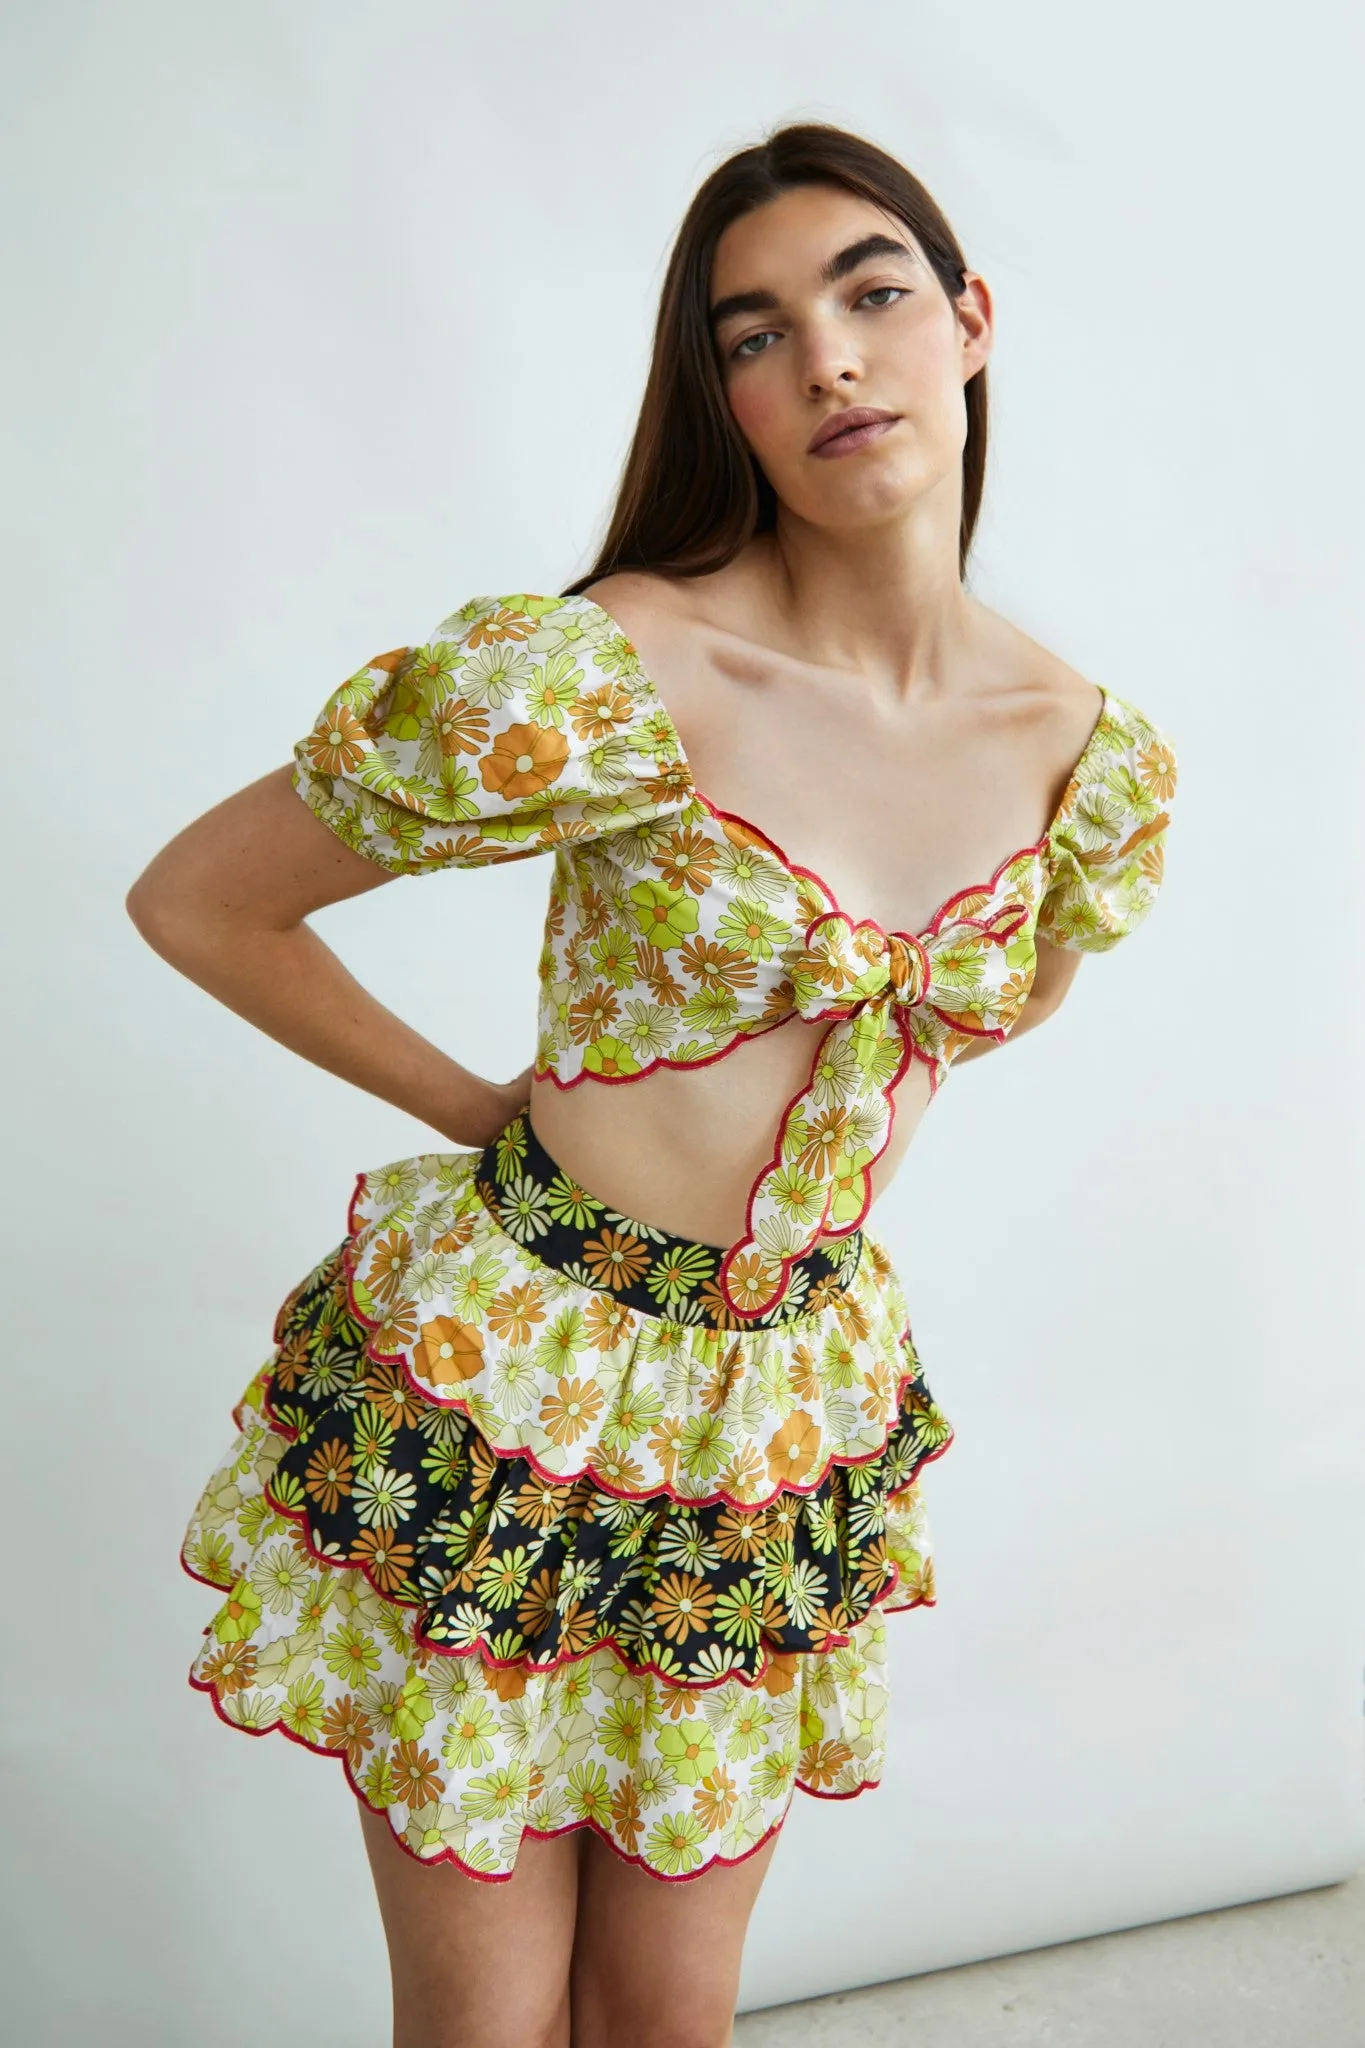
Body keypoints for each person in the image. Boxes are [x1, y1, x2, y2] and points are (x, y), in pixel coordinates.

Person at [127, 121, 1178, 2048]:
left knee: (668, 2020)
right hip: (513, 1387)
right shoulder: (614, 673)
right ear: (728, 401)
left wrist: (854, 1110)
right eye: (755, 335)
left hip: (774, 1422)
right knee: (488, 2027)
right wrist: (481, 1114)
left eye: (871, 294)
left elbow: (1005, 994)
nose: (829, 359)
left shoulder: (1088, 760)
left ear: (968, 323)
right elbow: (204, 900)